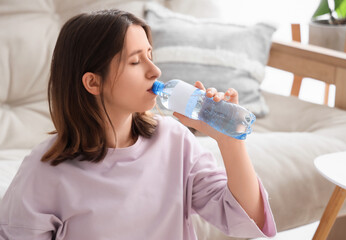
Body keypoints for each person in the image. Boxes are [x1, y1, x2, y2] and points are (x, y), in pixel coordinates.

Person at [0, 9, 276, 240]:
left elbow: (247, 220)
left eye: (150, 55)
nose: (154, 71)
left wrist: (230, 141)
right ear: (93, 82)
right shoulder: (44, 171)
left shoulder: (174, 140)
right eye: (135, 61)